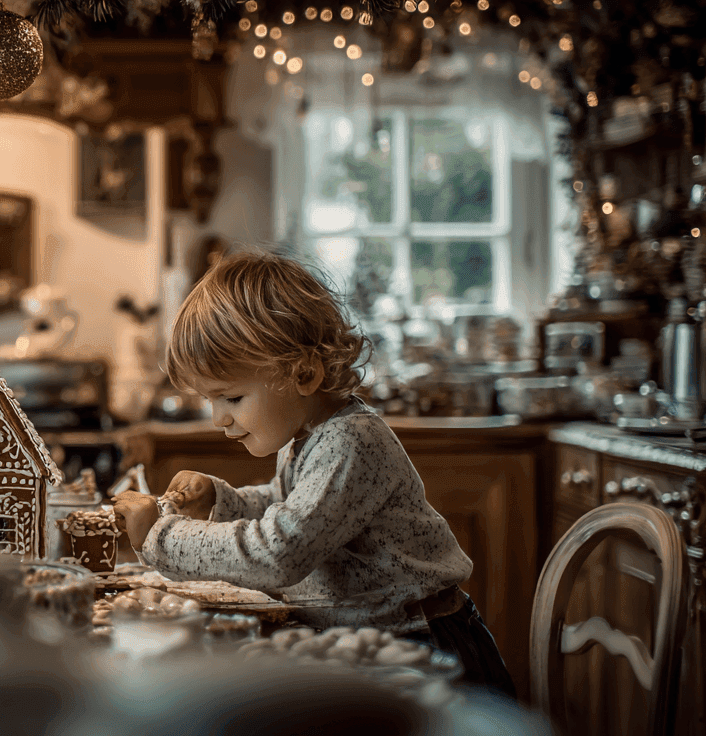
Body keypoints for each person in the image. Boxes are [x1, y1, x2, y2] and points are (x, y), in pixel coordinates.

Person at [112, 249, 515, 697]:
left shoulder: (349, 443)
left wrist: (161, 536)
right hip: (371, 642)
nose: (217, 419)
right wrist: (219, 500)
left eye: (231, 398)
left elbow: (280, 552)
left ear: (303, 374)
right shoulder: (311, 436)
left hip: (424, 651)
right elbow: (290, 506)